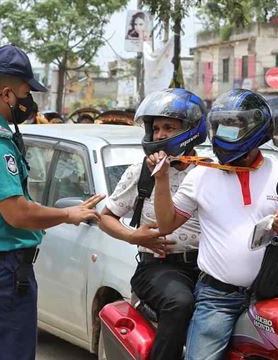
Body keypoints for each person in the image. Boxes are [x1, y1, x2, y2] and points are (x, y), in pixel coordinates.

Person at [0, 44, 105, 360]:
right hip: (0, 272)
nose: (29, 101)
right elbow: (18, 213)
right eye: (25, 92)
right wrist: (68, 214)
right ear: (6, 94)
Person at [150, 89, 278, 360]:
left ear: (255, 131)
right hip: (218, 298)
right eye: (220, 127)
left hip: (276, 295)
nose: (224, 134)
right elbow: (165, 225)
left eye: (234, 127)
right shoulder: (201, 175)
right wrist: (161, 180)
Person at [100, 89, 207, 360]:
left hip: (206, 268)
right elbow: (106, 217)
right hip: (158, 268)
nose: (159, 135)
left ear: (192, 130)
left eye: (168, 128)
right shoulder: (141, 173)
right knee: (179, 302)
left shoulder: (210, 172)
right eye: (156, 128)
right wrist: (134, 236)